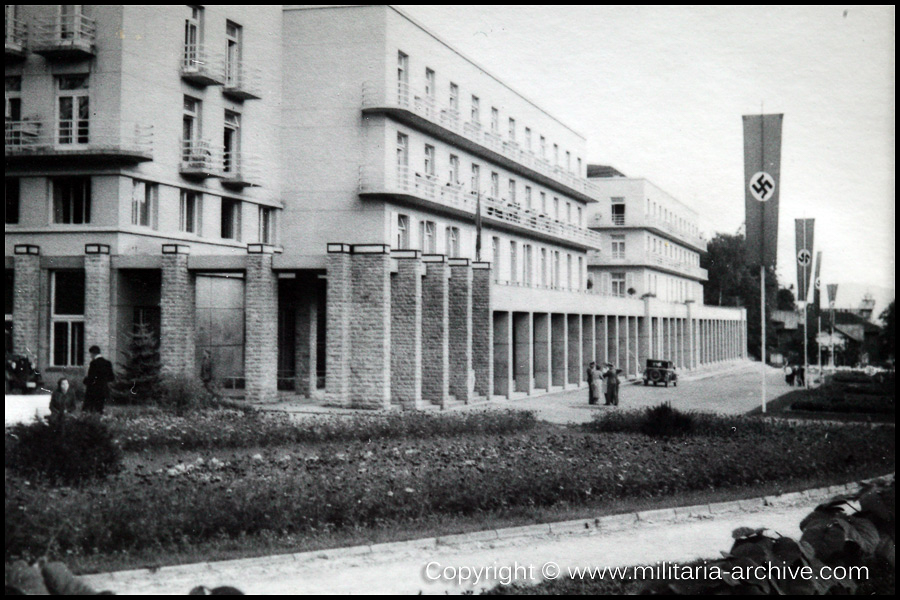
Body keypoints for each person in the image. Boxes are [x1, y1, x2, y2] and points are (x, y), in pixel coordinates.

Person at [83, 345, 115, 414]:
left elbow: (91, 378)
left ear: (93, 353)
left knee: (92, 410)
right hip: (103, 390)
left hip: (93, 391)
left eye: (90, 354)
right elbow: (111, 378)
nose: (90, 356)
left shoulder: (93, 363)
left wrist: (85, 381)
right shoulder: (108, 363)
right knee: (100, 409)